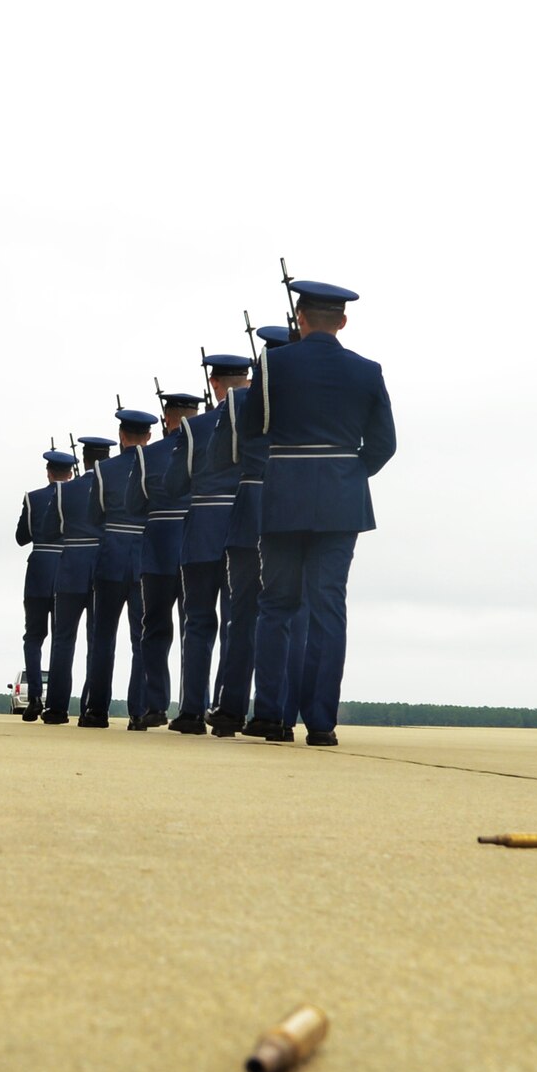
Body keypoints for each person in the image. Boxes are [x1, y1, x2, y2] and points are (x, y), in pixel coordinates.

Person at [245, 281, 397, 748]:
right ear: (343, 322)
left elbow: (254, 428)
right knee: (328, 606)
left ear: (300, 320)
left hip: (285, 493)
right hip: (341, 500)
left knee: (276, 605)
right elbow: (384, 445)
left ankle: (271, 715)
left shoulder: (273, 363)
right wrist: (347, 474)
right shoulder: (368, 371)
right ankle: (322, 722)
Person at [209, 326, 296, 738]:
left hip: (250, 507)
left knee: (242, 614)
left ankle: (230, 709)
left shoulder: (238, 402)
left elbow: (220, 458)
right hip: (293, 506)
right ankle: (275, 711)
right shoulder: (306, 398)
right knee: (290, 613)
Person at [165, 357, 253, 735]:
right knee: (239, 622)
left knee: (197, 622)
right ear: (247, 379)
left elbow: (172, 485)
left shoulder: (195, 428)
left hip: (202, 530)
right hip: (244, 528)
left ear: (214, 383)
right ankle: (229, 709)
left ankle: (191, 711)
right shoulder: (261, 419)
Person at [80, 408, 156, 728]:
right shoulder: (160, 468)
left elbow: (92, 518)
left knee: (103, 639)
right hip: (145, 562)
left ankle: (97, 710)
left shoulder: (103, 471)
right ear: (148, 437)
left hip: (110, 558)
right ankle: (138, 712)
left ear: (122, 437)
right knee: (142, 639)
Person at [133, 390, 203, 730]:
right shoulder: (207, 444)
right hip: (195, 546)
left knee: (155, 631)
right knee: (196, 629)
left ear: (166, 419)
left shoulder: (148, 457)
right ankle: (194, 706)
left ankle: (156, 705)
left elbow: (134, 504)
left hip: (159, 551)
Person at [45, 436, 112, 724]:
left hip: (71, 568)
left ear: (82, 460)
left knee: (62, 640)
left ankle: (57, 708)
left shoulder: (64, 492)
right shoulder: (114, 488)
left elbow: (50, 530)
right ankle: (95, 708)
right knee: (99, 640)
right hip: (102, 569)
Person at [13, 448, 74, 720]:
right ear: (71, 474)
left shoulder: (33, 498)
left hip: (38, 572)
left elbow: (21, 537)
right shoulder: (79, 496)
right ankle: (57, 700)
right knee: (62, 639)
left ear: (48, 473)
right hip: (67, 569)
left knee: (34, 637)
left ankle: (35, 695)